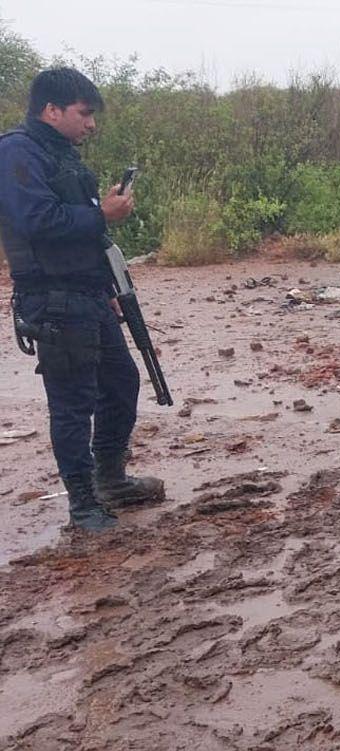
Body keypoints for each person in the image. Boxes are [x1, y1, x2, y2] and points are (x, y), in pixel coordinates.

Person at [1, 68, 165, 532]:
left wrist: (106, 288)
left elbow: (81, 234)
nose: (91, 124)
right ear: (51, 110)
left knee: (121, 382)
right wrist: (102, 212)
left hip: (88, 294)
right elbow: (38, 221)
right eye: (84, 113)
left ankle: (110, 478)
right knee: (72, 404)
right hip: (52, 301)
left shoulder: (64, 157)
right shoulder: (16, 152)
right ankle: (84, 503)